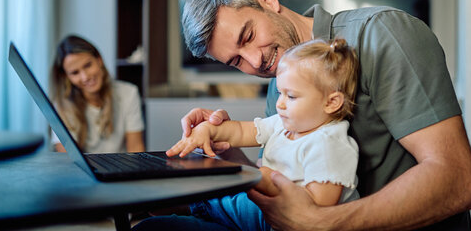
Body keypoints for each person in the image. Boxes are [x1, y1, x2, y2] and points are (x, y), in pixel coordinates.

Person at [169, 0, 471, 231]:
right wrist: (226, 143)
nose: (255, 61)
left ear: (267, 0)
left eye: (248, 36)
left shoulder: (382, 34)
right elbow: (283, 183)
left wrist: (322, 223)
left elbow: (457, 180)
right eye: (236, 60)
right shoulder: (280, 85)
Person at [134, 38, 360, 231]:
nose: (279, 104)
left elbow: (317, 209)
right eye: (280, 93)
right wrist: (208, 130)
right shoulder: (286, 124)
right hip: (268, 216)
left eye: (291, 96)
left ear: (331, 103)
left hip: (287, 223)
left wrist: (265, 180)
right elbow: (241, 130)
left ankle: (196, 205)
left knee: (240, 201)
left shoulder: (331, 143)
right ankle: (197, 205)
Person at [50, 35, 145, 153]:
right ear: (67, 77)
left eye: (88, 65)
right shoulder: (62, 105)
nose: (85, 77)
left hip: (121, 169)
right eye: (75, 73)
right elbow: (67, 159)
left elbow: (136, 149)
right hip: (83, 172)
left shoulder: (128, 93)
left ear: (99, 60)